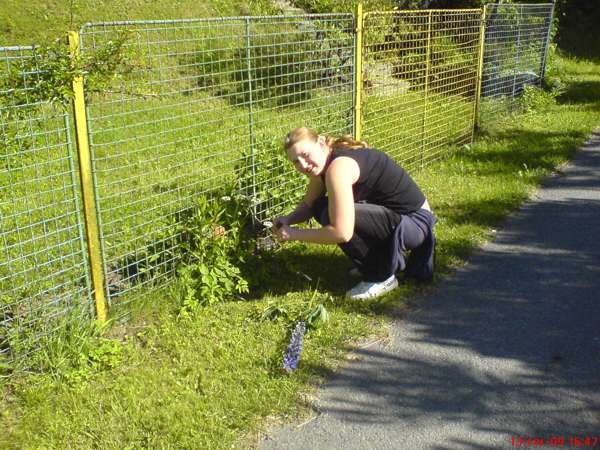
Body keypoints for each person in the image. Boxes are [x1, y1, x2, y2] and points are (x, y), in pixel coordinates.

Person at [273, 127, 437, 300]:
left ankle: (381, 275)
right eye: (296, 161)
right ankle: (382, 260)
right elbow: (309, 204)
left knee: (332, 215)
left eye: (305, 155)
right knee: (321, 206)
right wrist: (288, 219)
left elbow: (342, 233)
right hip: (398, 219)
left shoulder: (338, 168)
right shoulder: (324, 162)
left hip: (416, 224)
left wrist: (293, 234)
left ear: (321, 143)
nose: (303, 165)